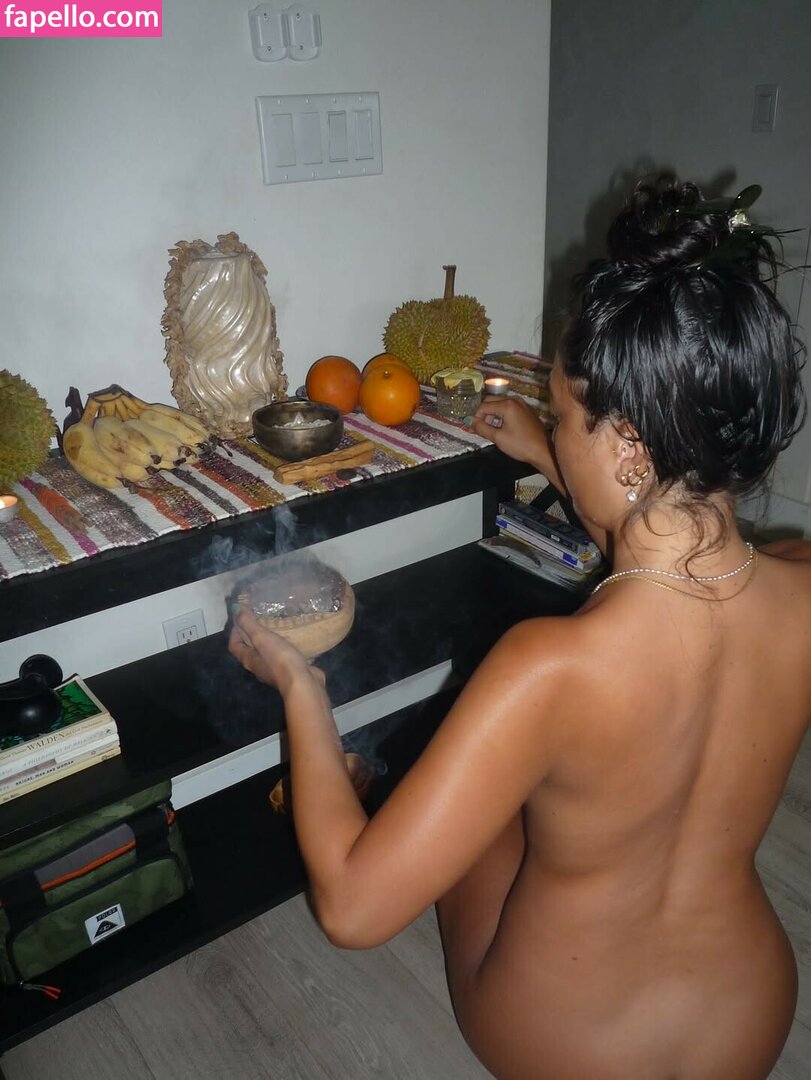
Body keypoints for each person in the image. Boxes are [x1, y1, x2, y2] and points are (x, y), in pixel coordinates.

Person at [229, 176, 810, 1080]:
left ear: (629, 448)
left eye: (563, 413)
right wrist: (545, 451)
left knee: (464, 810)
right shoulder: (799, 582)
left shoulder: (548, 668)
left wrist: (300, 685)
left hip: (568, 1047)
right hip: (748, 1024)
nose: (553, 424)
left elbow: (350, 909)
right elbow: (670, 555)